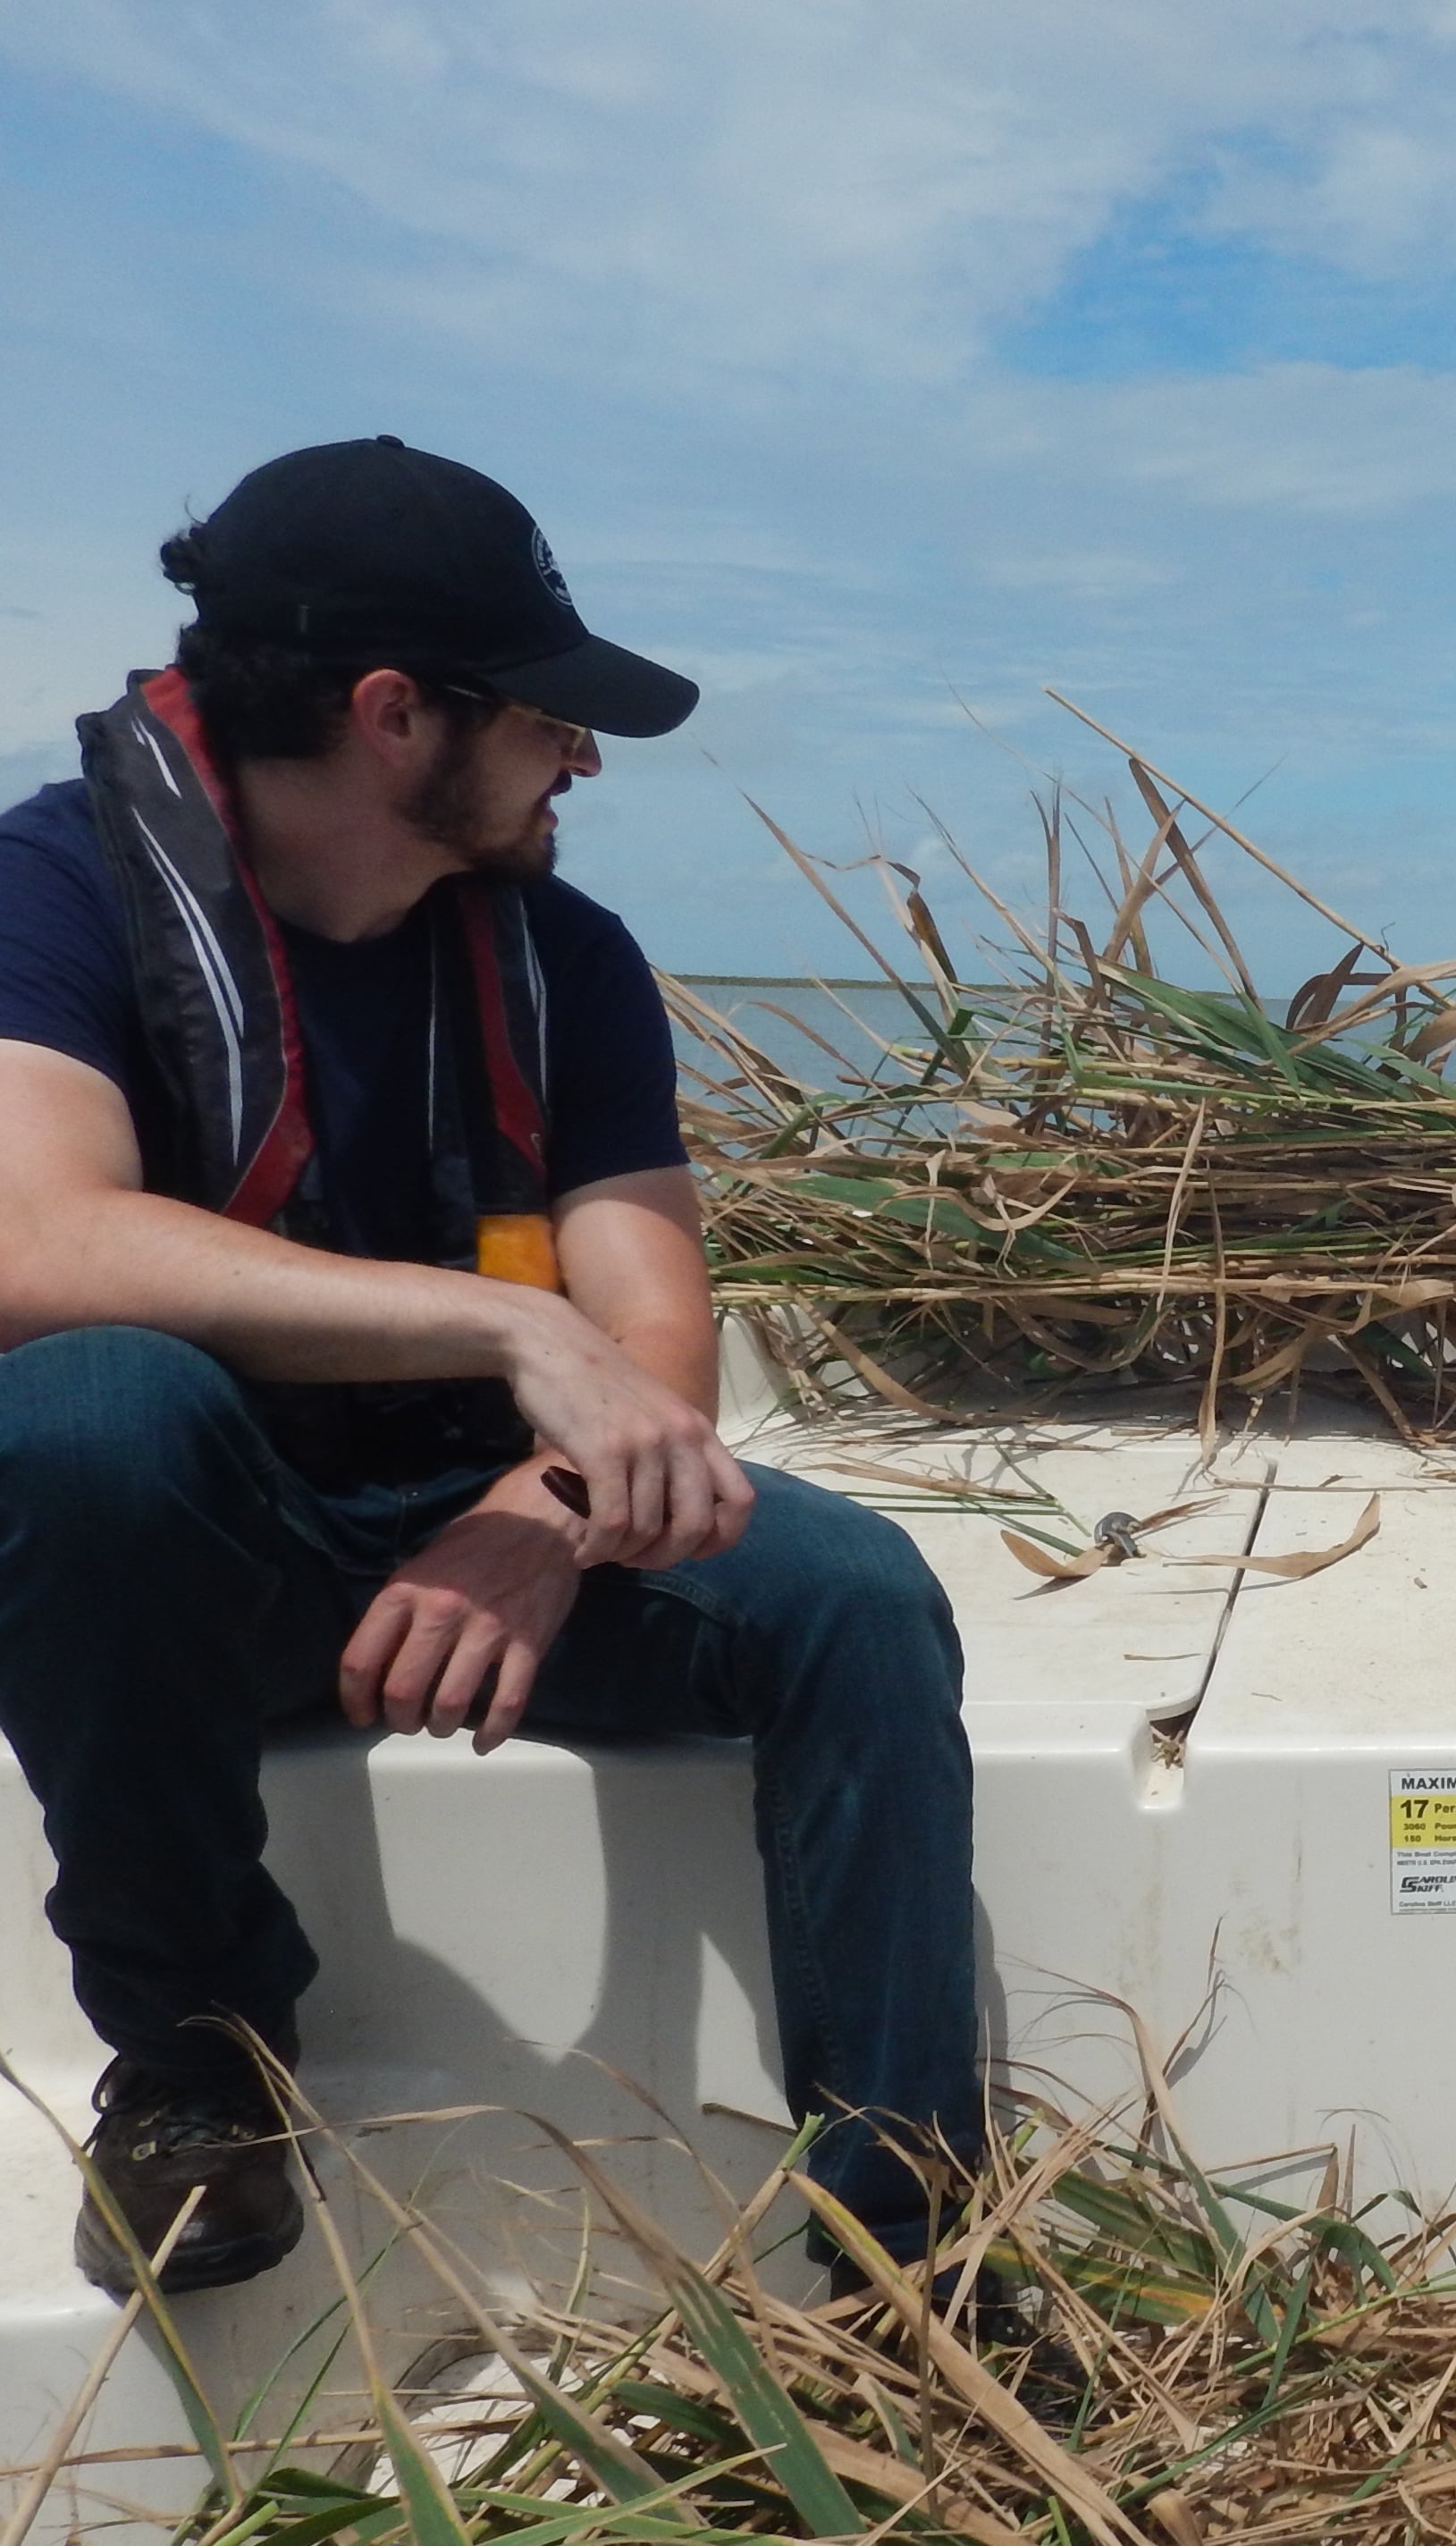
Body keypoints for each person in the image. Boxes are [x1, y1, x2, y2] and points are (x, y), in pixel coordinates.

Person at [0, 439, 980, 2301]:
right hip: (184, 1566)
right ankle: (199, 2051)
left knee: (852, 1596)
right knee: (88, 1412)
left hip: (489, 1536)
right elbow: (26, 1243)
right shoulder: (51, 892)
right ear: (392, 714)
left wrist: (542, 1513)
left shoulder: (568, 958)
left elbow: (658, 1317)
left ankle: (910, 2262)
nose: (583, 760)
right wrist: (509, 1326)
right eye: (546, 716)